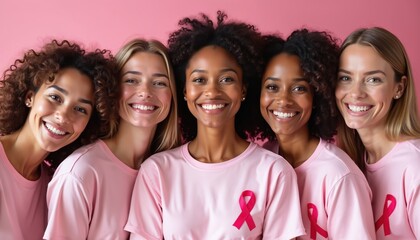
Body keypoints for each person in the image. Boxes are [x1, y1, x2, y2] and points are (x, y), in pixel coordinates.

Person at [125, 11, 305, 239]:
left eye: (226, 79)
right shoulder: (157, 171)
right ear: (184, 91)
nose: (212, 92)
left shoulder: (273, 172)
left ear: (243, 89)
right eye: (199, 80)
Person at [43, 39, 181, 239]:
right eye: (132, 80)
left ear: (173, 95)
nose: (145, 92)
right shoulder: (80, 173)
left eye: (159, 83)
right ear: (113, 90)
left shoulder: (169, 171)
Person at [258, 29, 376, 239]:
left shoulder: (339, 176)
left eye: (299, 89)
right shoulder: (262, 160)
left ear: (317, 97)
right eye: (272, 86)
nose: (283, 99)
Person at [0, 39, 117, 239]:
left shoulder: (55, 183)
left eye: (80, 109)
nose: (63, 116)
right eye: (55, 97)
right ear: (30, 97)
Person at [335, 27, 420, 239]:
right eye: (345, 78)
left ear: (399, 88)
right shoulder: (348, 163)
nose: (355, 93)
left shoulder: (414, 165)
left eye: (373, 79)